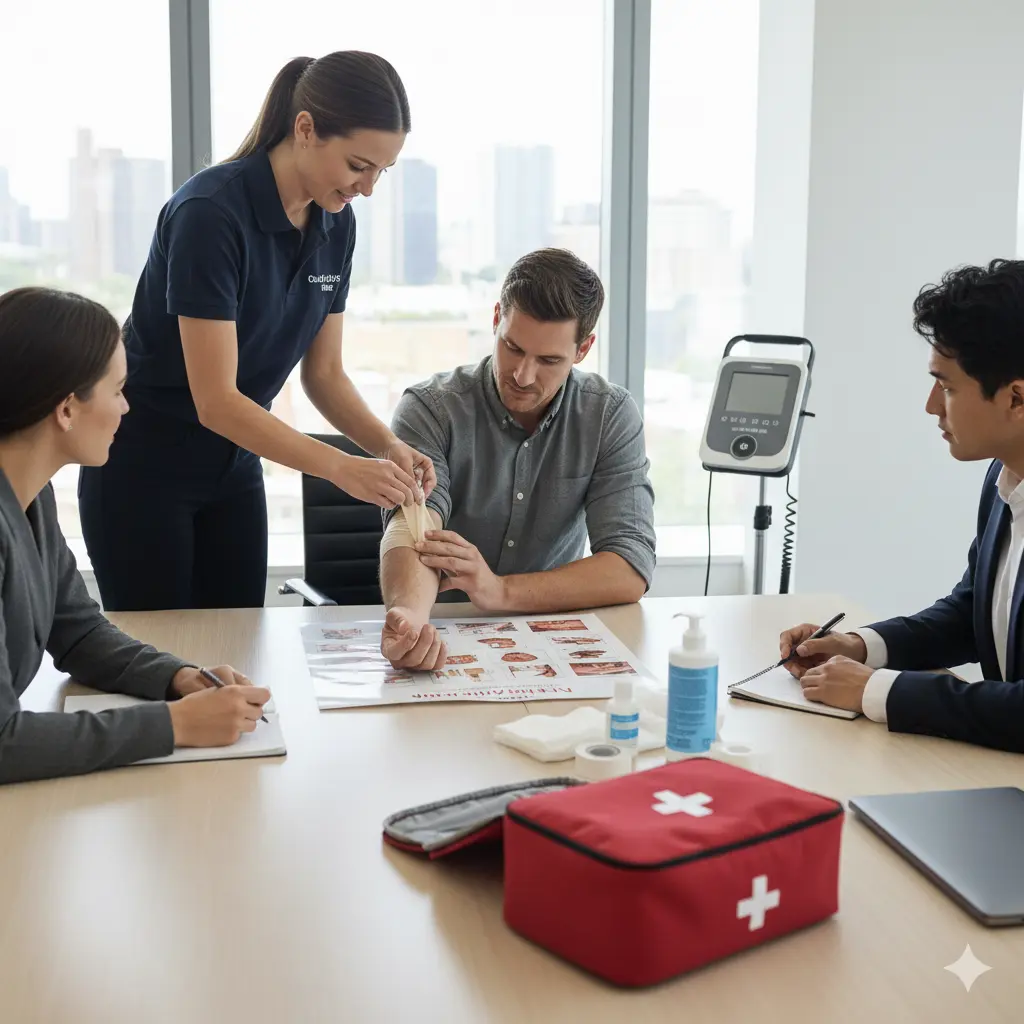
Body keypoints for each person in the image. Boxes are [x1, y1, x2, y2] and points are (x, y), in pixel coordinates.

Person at [79, 51, 434, 612]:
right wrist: (341, 468)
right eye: (358, 165)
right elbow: (216, 401)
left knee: (242, 652)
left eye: (381, 172)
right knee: (157, 663)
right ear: (305, 128)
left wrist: (386, 447)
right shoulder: (209, 214)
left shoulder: (335, 222)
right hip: (147, 467)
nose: (367, 188)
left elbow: (324, 375)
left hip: (235, 467)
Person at [0, 287, 272, 785]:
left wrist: (178, 678)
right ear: (66, 409)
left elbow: (78, 632)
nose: (126, 408)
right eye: (119, 390)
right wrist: (175, 725)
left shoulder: (29, 496)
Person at [779, 258, 1024, 753]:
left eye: (948, 386)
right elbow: (971, 613)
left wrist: (879, 691)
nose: (932, 405)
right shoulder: (1004, 478)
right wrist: (861, 648)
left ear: (1016, 398)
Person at [378, 249, 657, 671]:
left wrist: (501, 591)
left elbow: (629, 566)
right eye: (512, 347)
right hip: (447, 632)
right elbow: (414, 527)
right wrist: (412, 621)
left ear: (583, 349)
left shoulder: (609, 415)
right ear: (496, 318)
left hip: (552, 641)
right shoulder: (431, 407)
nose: (523, 376)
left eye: (549, 361)